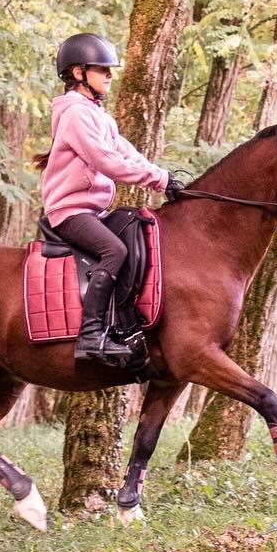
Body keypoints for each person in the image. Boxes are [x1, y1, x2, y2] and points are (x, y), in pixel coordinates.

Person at [40, 33, 183, 363]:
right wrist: (159, 180)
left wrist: (166, 178)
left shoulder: (99, 116)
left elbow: (127, 154)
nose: (109, 75)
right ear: (79, 73)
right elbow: (106, 161)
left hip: (94, 211)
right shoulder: (76, 114)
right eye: (102, 69)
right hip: (70, 212)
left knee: (135, 227)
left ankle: (124, 325)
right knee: (114, 249)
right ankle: (90, 336)